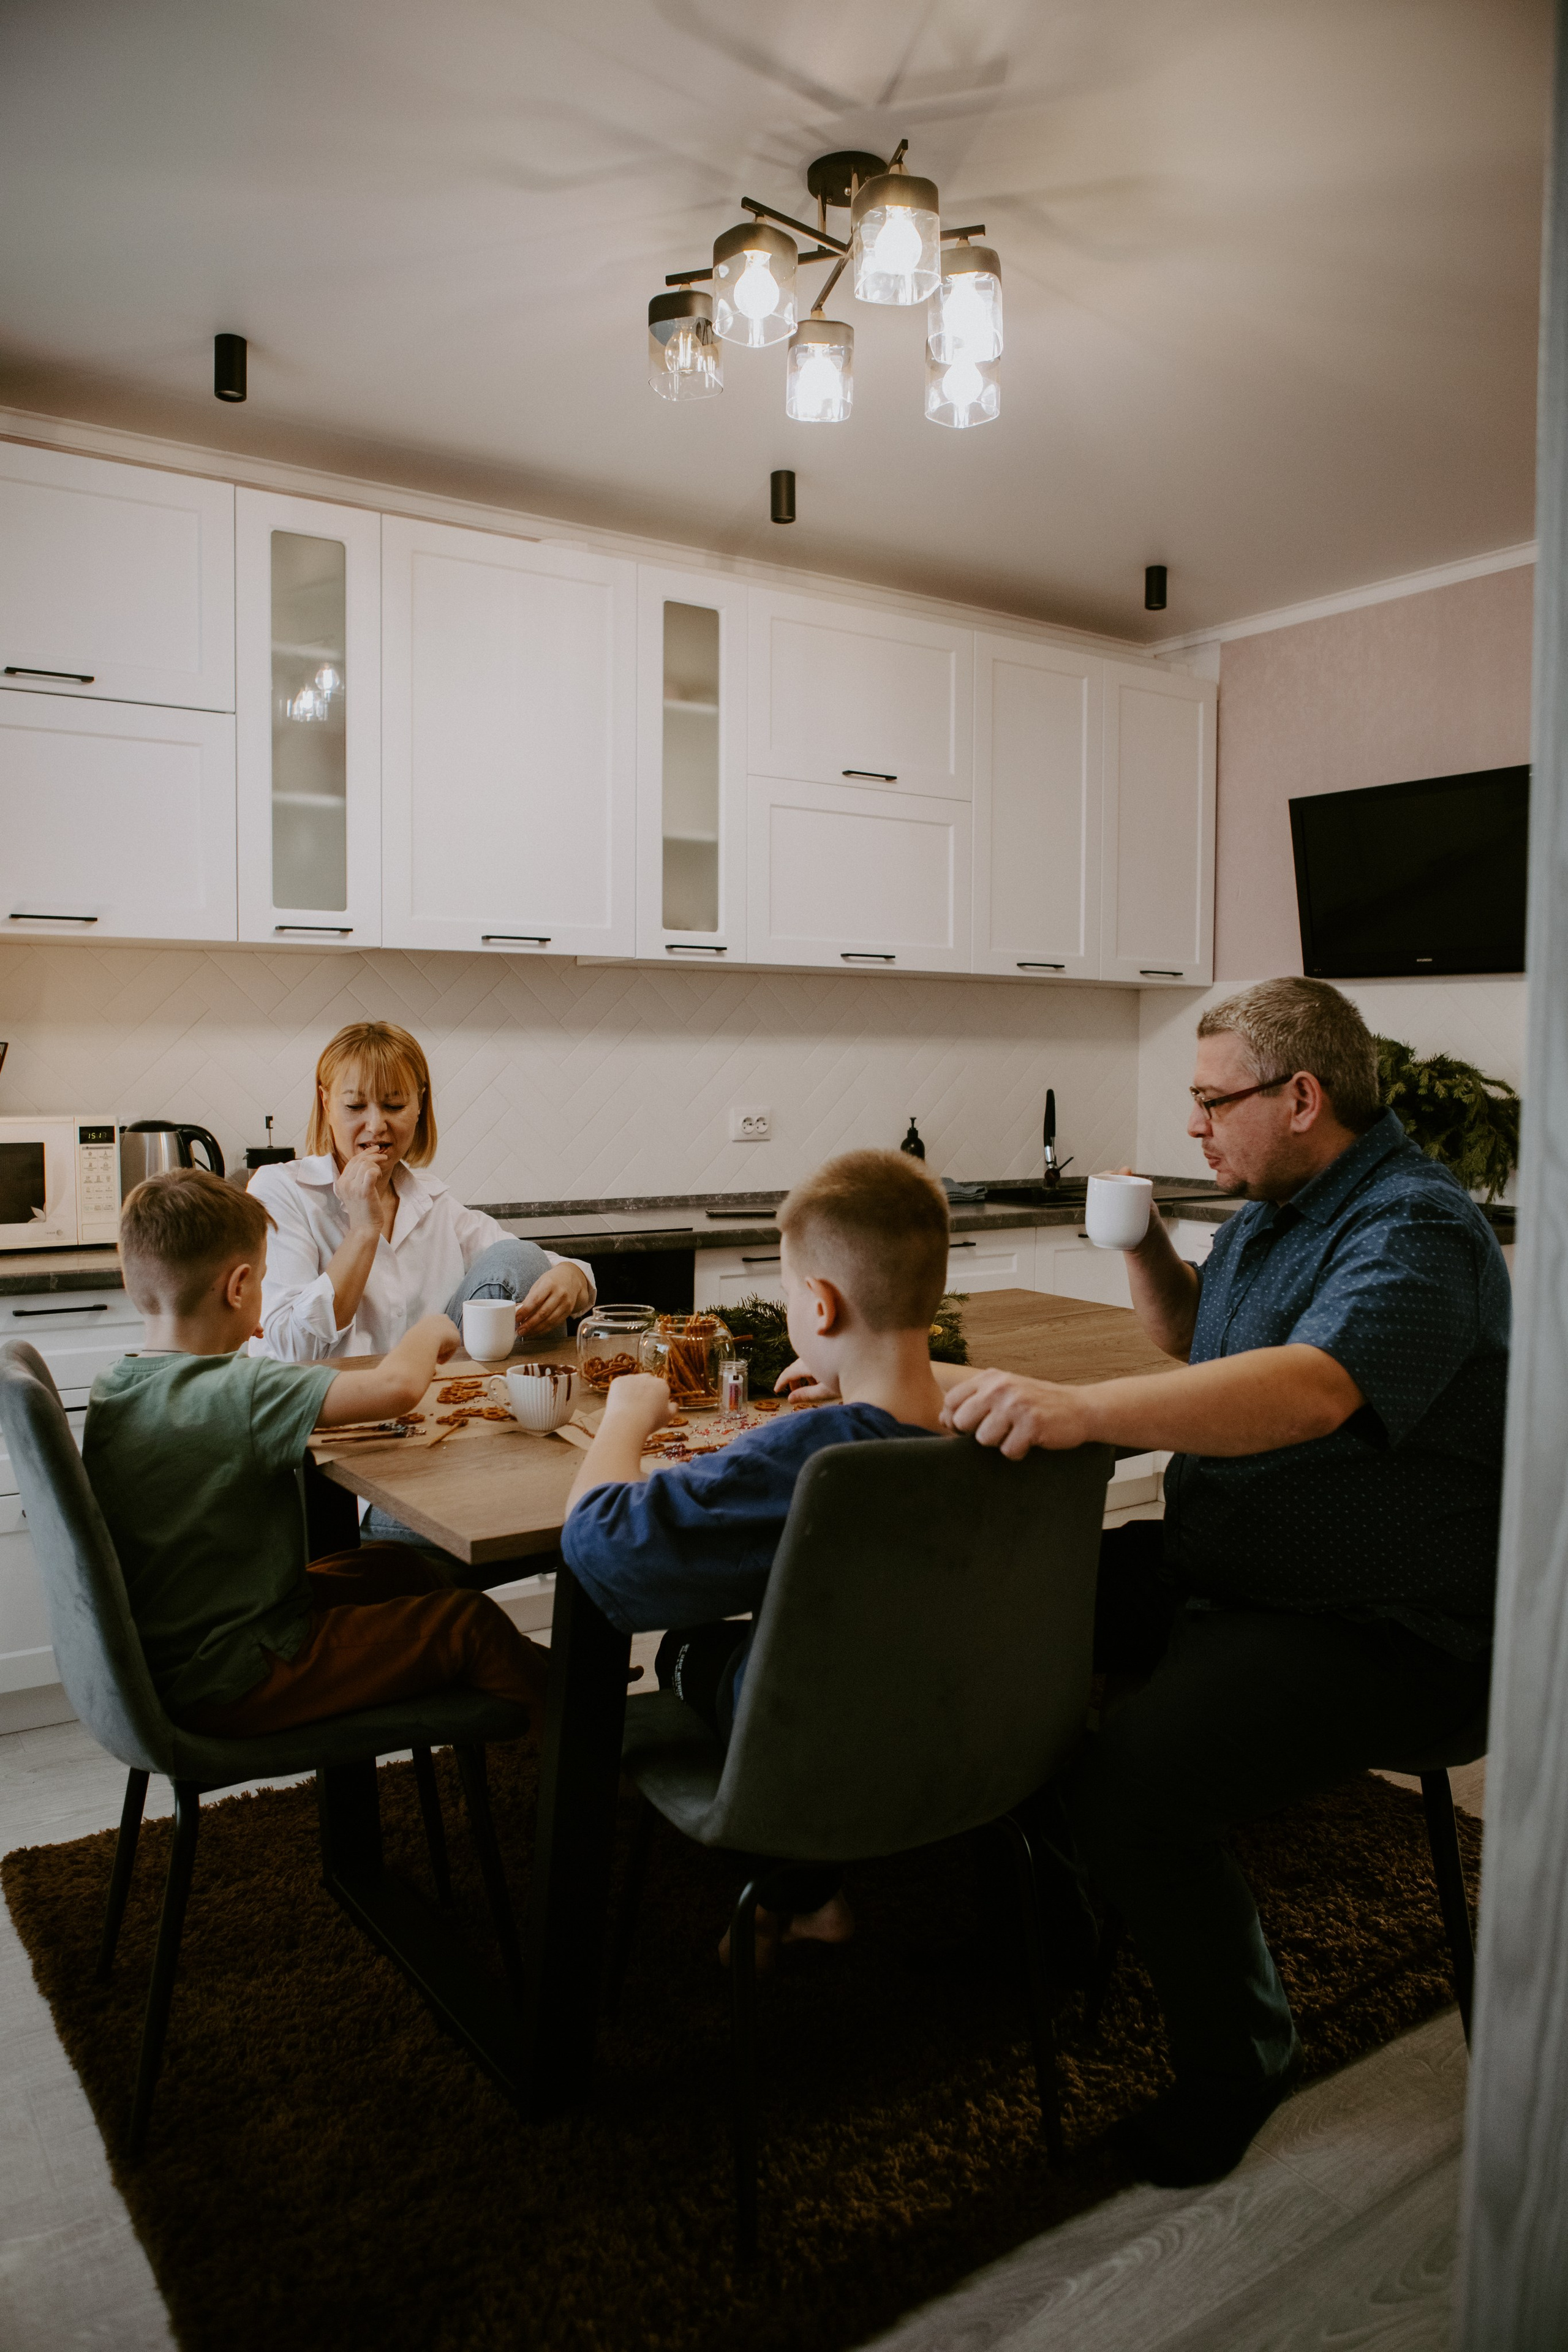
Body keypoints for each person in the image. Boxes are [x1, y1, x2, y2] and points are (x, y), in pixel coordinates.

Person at [942, 976, 1508, 2187]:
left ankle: (1238, 2064)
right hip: (1234, 1572)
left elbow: (1311, 1387)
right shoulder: (1269, 1212)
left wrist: (1082, 1407)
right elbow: (1200, 1338)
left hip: (1387, 1625)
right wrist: (1144, 1244)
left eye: (1212, 1102)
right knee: (995, 1629)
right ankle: (1055, 1925)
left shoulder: (1414, 1226)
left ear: (1300, 1097)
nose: (1192, 1126)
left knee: (1132, 1790)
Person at [560, 1148, 954, 1967]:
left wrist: (626, 1414)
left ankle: (795, 1889)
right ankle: (810, 1895)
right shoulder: (996, 1422)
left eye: (788, 1294)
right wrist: (849, 1376)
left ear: (820, 1305)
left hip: (820, 1740)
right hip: (958, 1717)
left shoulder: (814, 1452)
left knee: (684, 1649)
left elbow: (599, 1540)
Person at [84, 1169, 548, 1737]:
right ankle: (587, 1743)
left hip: (182, 1652)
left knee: (399, 1569)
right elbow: (397, 1389)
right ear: (239, 1287)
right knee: (468, 1623)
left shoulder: (115, 1386)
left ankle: (559, 1681)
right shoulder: (241, 1389)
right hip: (239, 1673)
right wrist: (431, 1330)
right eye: (263, 1282)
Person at [248, 1020, 595, 1365]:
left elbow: (524, 1263)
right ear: (326, 1103)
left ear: (419, 1105)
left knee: (522, 1258)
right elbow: (291, 1349)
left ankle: (535, 1397)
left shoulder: (433, 1201)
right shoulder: (280, 1190)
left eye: (394, 1106)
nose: (376, 1126)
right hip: (331, 1392)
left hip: (435, 1391)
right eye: (355, 1107)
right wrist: (364, 1230)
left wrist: (572, 1277)